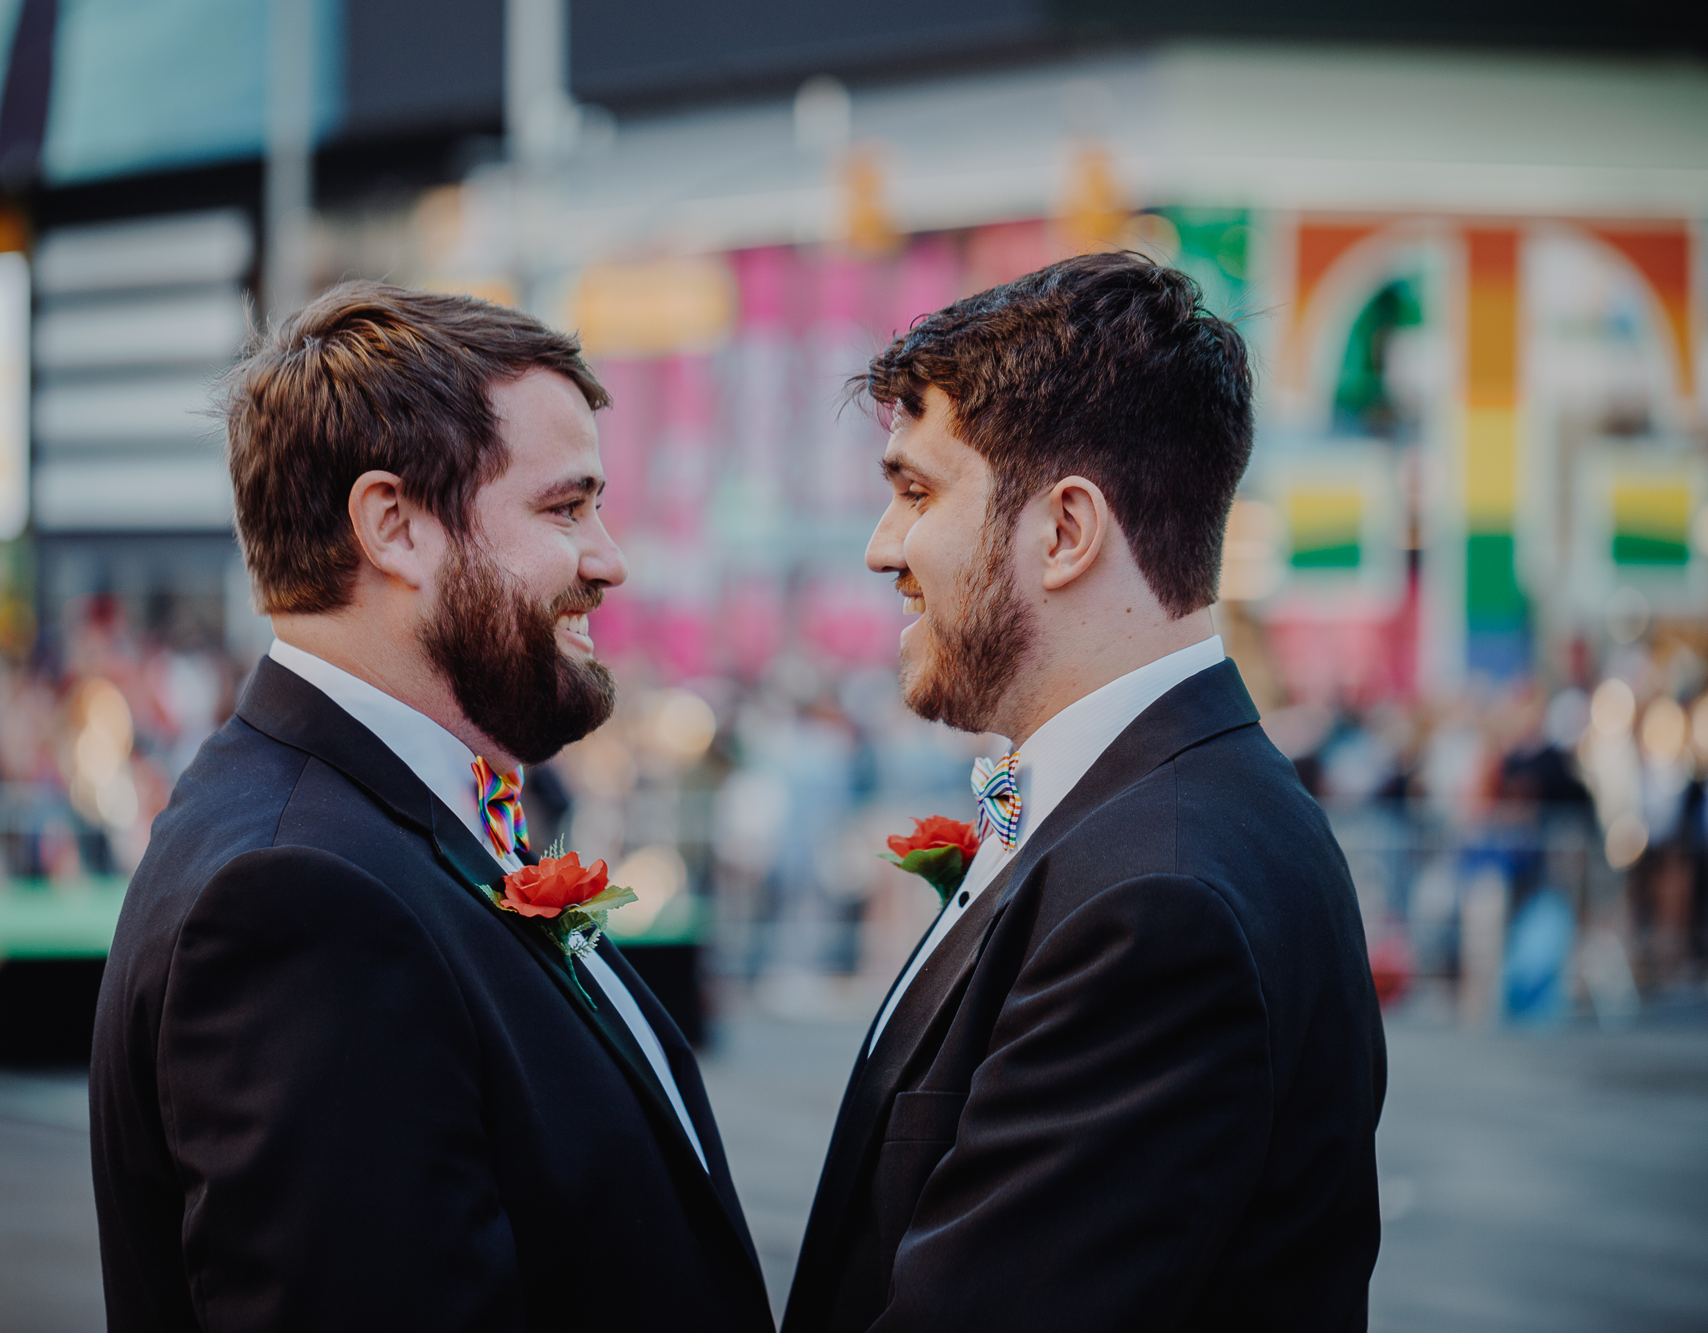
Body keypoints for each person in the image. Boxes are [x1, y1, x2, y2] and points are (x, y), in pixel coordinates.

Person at [90, 283, 772, 1333]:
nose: (608, 557)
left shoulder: (368, 828)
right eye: (562, 506)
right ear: (394, 527)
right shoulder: (298, 900)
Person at [783, 253, 1386, 1332]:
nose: (883, 549)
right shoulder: (1166, 814)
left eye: (916, 491)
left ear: (1063, 531)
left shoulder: (1156, 898)